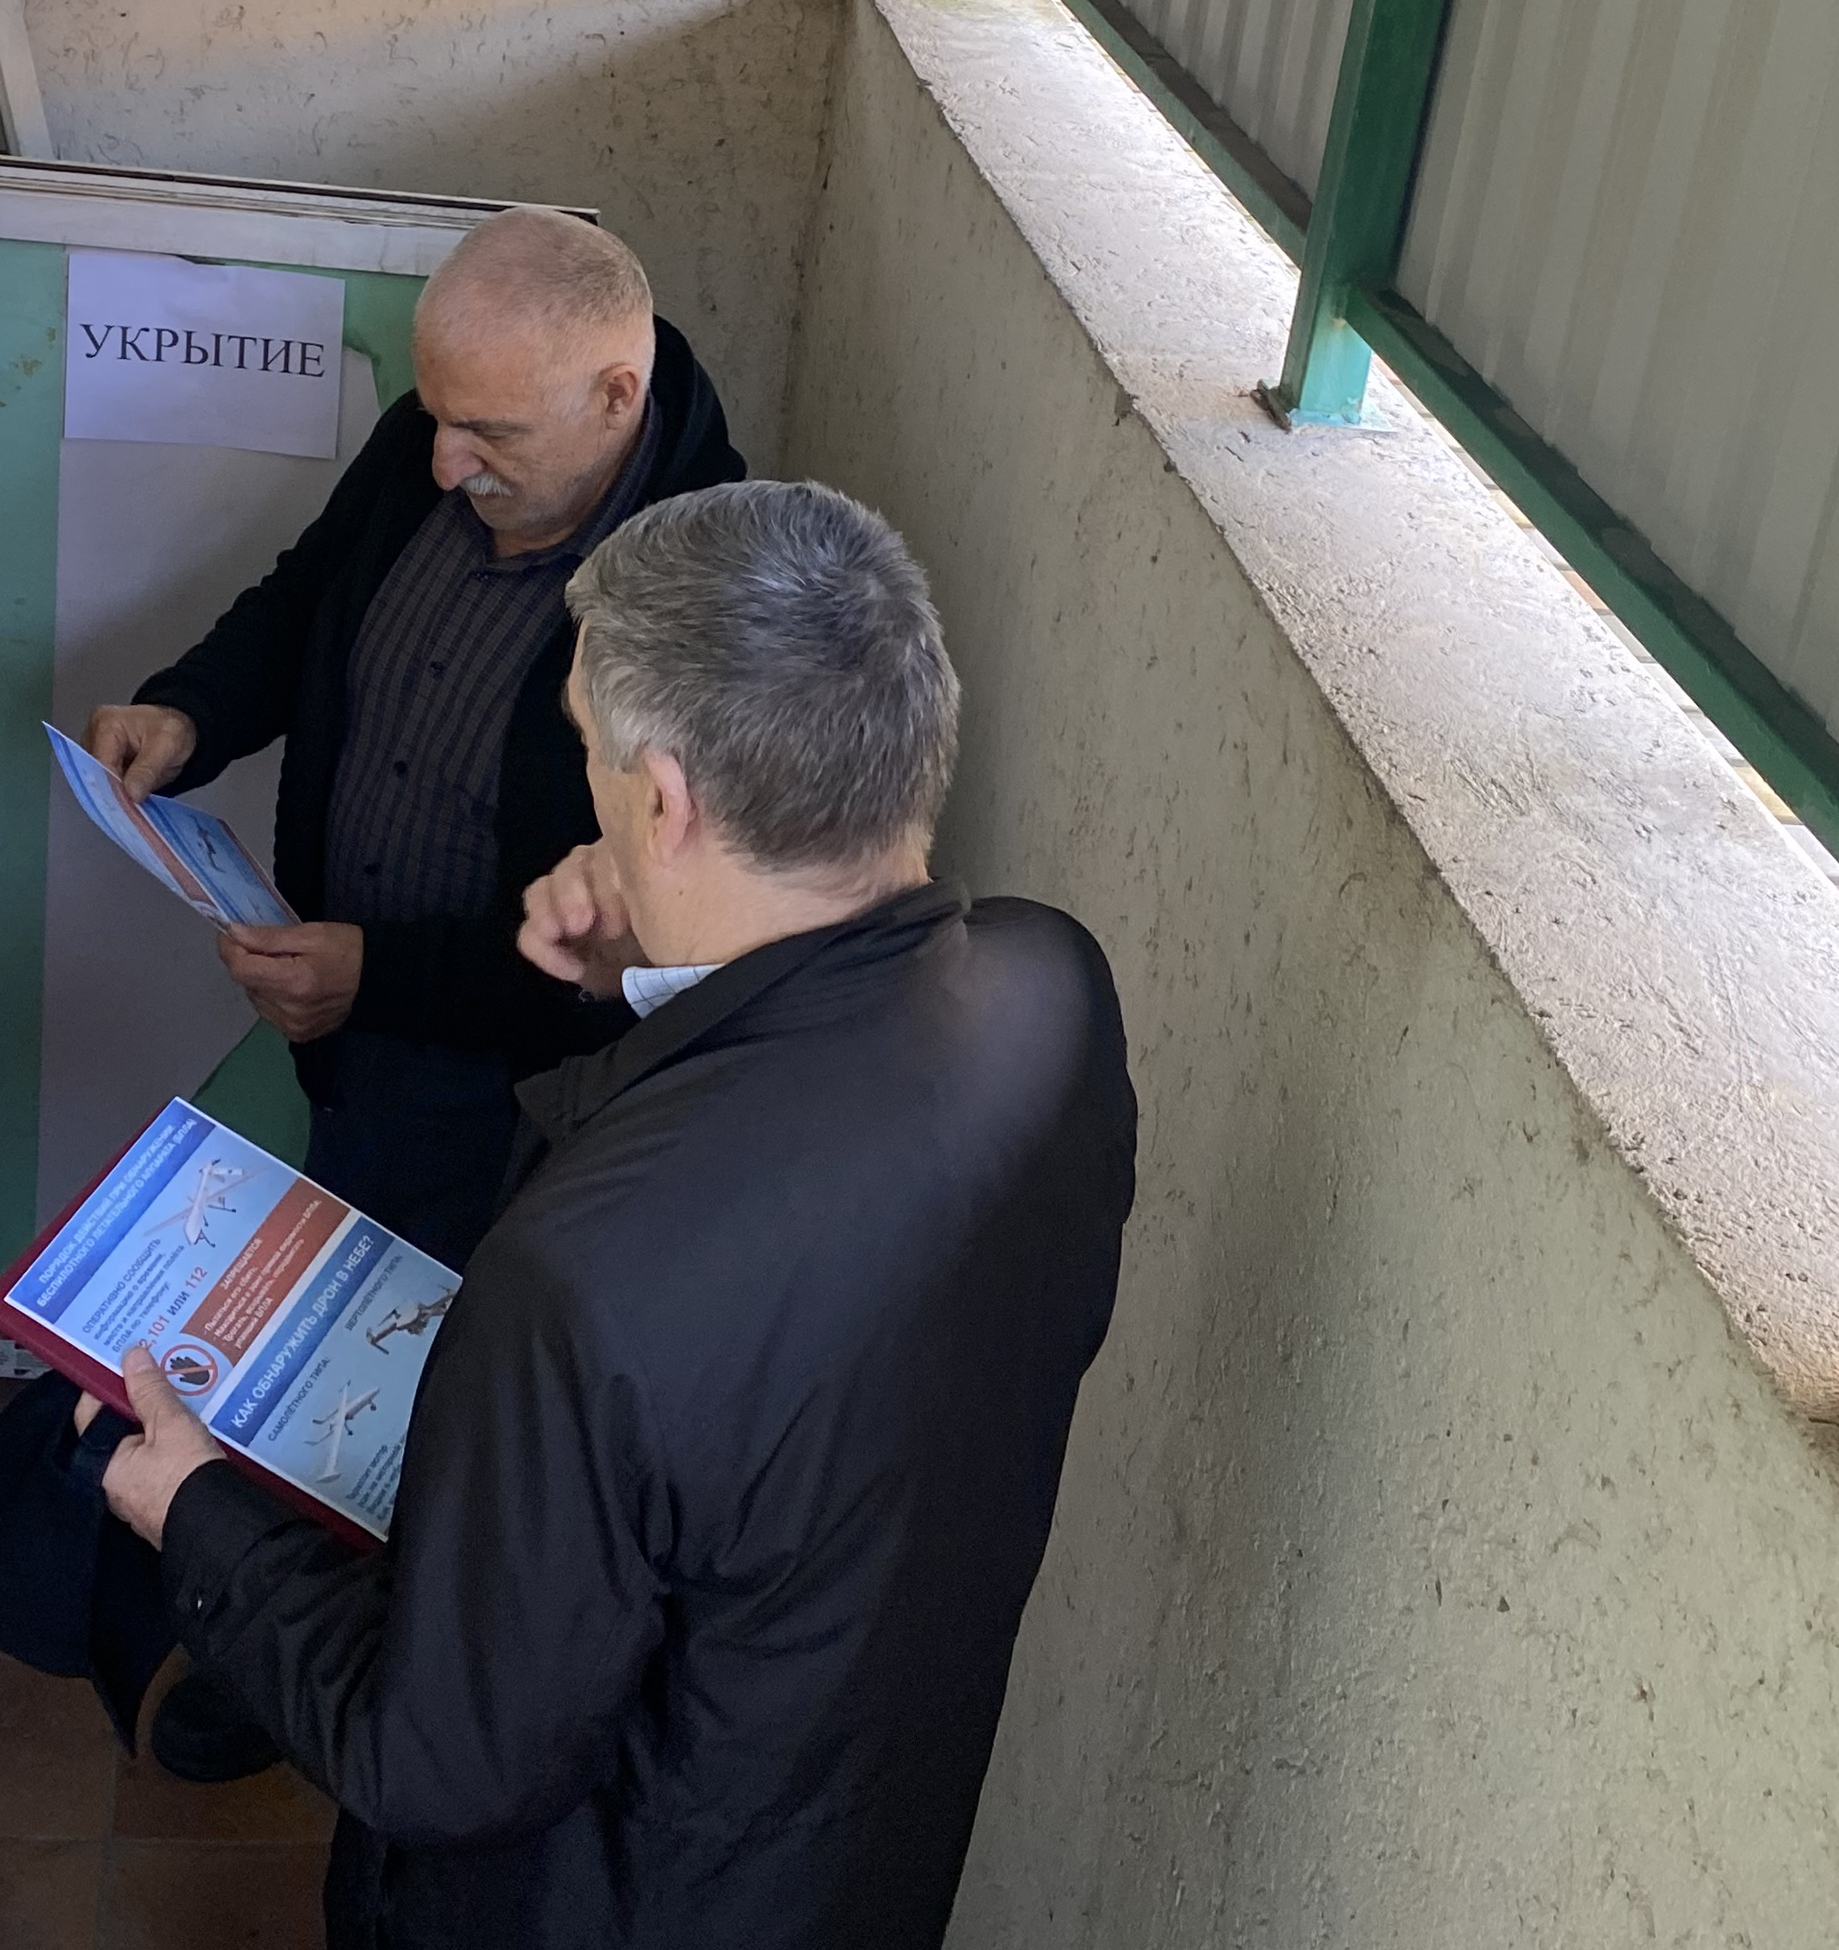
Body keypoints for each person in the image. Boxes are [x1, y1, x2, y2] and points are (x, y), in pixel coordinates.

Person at [95, 480, 1138, 1950]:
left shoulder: (586, 1277)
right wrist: (651, 965)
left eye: (589, 750)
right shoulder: (1054, 994)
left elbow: (438, 1762)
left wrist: (198, 1516)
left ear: (664, 802)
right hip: (857, 1846)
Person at [82, 206, 741, 1267]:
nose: (442, 462)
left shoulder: (708, 593)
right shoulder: (427, 444)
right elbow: (307, 600)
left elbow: (641, 929)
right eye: (435, 416)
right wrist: (188, 711)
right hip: (349, 1036)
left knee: (436, 1336)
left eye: (490, 434)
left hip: (518, 1097)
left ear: (616, 395)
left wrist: (380, 977)